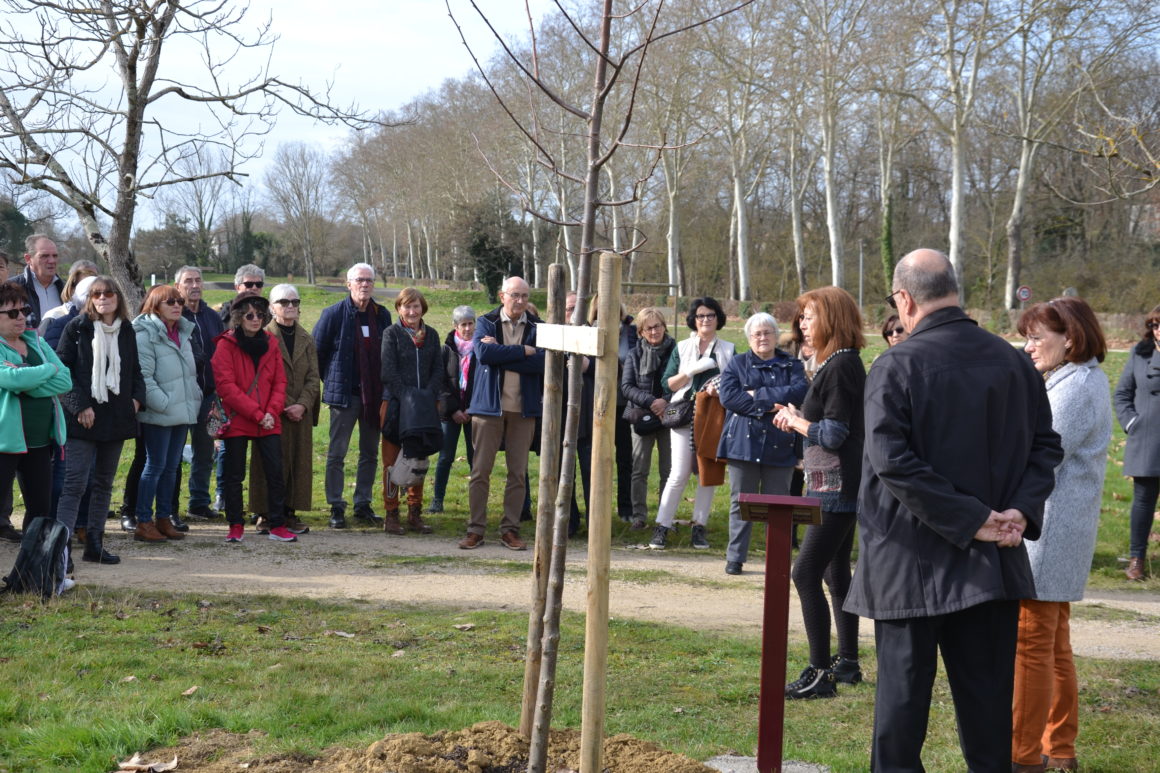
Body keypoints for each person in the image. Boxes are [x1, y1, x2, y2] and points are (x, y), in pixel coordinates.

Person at [845, 249, 1062, 772]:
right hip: (990, 563)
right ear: (953, 290)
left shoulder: (895, 364)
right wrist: (1014, 514)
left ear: (904, 299)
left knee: (899, 722)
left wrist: (989, 519)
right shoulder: (1014, 360)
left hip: (910, 563)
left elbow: (890, 462)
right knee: (988, 720)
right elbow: (1046, 448)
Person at [1012, 298, 1112, 773]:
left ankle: (1024, 755)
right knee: (1052, 647)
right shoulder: (1077, 379)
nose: (1028, 346)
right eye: (1027, 336)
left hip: (1051, 533)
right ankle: (1060, 747)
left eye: (1036, 337)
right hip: (1060, 530)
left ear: (1069, 338)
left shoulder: (1076, 387)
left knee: (1032, 645)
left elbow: (1040, 454)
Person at [774, 287, 867, 697]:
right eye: (802, 317)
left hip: (836, 489)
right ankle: (846, 662)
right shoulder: (834, 364)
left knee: (804, 572)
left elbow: (834, 433)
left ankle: (818, 674)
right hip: (832, 485)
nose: (802, 324)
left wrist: (796, 424)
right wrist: (799, 416)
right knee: (834, 572)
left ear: (831, 319)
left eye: (809, 316)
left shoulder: (842, 366)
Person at [54, 276, 144, 565]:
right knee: (75, 484)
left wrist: (136, 400)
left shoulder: (126, 330)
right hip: (83, 420)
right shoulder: (76, 328)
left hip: (115, 418)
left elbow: (136, 371)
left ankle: (95, 543)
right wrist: (80, 406)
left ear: (117, 297)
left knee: (104, 483)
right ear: (90, 299)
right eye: (96, 294)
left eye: (108, 293)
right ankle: (62, 549)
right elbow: (61, 371)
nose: (102, 298)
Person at [719, 313, 807, 576]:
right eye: (757, 334)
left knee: (779, 504)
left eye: (767, 332)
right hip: (742, 445)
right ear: (749, 338)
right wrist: (771, 406)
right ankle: (735, 558)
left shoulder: (792, 365)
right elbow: (729, 398)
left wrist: (756, 394)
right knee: (740, 502)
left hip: (781, 442)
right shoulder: (736, 364)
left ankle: (777, 559)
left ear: (775, 335)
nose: (762, 338)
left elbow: (799, 392)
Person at [462, 276, 544, 550]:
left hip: (523, 410)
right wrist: (523, 351)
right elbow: (484, 354)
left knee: (518, 474)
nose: (520, 301)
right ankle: (475, 530)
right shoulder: (486, 322)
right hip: (487, 409)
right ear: (502, 296)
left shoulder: (537, 326)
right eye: (514, 295)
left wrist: (504, 355)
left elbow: (542, 362)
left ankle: (510, 529)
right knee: (480, 471)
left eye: (524, 295)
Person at [649, 296, 735, 550]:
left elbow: (734, 384)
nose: (705, 320)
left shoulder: (728, 349)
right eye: (700, 316)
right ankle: (662, 526)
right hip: (684, 415)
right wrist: (692, 371)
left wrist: (717, 387)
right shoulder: (683, 347)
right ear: (693, 320)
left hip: (713, 417)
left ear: (717, 319)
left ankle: (699, 526)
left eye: (710, 315)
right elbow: (668, 384)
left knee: (706, 474)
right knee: (678, 473)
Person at [212, 294, 297, 543]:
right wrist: (259, 414)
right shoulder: (225, 345)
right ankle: (235, 524)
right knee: (234, 474)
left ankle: (277, 524)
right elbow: (226, 387)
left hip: (268, 418)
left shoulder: (271, 342)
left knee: (275, 471)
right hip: (240, 417)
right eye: (249, 315)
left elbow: (280, 381)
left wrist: (271, 412)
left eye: (260, 314)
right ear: (238, 317)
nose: (255, 319)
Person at [314, 263, 392, 529]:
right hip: (344, 396)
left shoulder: (382, 315)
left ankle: (363, 503)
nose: (365, 285)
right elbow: (317, 353)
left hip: (373, 396)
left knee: (370, 452)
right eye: (359, 280)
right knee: (337, 453)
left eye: (369, 280)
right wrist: (334, 382)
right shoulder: (333, 314)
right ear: (348, 284)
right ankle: (336, 505)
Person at [0, 282, 72, 537]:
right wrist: (47, 371)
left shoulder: (37, 342)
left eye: (24, 310)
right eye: (11, 313)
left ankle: (30, 571)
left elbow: (65, 380)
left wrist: (29, 377)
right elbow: (11, 380)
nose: (21, 317)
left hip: (40, 443)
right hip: (4, 444)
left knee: (40, 510)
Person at [132, 284, 202, 543]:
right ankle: (143, 520)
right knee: (155, 466)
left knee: (171, 468)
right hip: (160, 412)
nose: (176, 305)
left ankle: (164, 518)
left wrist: (189, 400)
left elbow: (188, 374)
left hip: (182, 411)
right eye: (169, 301)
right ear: (155, 305)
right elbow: (144, 378)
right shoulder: (144, 334)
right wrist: (164, 403)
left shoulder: (183, 332)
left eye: (179, 301)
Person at [248, 284, 317, 536]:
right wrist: (287, 404)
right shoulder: (263, 336)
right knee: (269, 463)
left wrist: (303, 404)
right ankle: (265, 514)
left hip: (301, 413)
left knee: (298, 462)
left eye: (295, 302)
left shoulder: (307, 338)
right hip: (271, 411)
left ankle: (290, 512)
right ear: (272, 307)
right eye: (284, 302)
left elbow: (313, 376)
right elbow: (261, 377)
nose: (290, 306)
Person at [379, 287, 443, 535]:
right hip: (396, 404)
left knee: (418, 458)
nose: (412, 311)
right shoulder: (391, 334)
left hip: (425, 406)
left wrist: (427, 395)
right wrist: (407, 396)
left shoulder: (432, 335)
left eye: (416, 306)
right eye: (407, 306)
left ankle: (415, 512)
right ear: (399, 309)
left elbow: (438, 368)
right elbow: (388, 371)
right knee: (391, 462)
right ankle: (391, 513)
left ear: (422, 308)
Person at [1113, 303, 1160, 582]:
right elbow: (1121, 395)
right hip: (1148, 440)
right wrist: (1133, 423)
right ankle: (1136, 560)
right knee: (1143, 503)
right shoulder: (1140, 354)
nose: (1158, 329)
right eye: (1154, 325)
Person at [176, 265, 225, 521]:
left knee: (206, 450)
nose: (194, 285)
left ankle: (199, 502)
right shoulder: (175, 315)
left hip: (209, 396)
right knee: (173, 453)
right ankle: (168, 507)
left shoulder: (211, 316)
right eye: (188, 281)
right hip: (181, 396)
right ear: (178, 286)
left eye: (198, 280)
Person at [621, 307, 676, 531]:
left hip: (670, 415)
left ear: (664, 326)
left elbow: (683, 382)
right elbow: (626, 387)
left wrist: (665, 401)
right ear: (641, 332)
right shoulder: (635, 354)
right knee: (639, 469)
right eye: (648, 328)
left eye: (657, 326)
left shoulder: (676, 351)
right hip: (642, 416)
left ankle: (665, 517)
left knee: (669, 471)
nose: (654, 332)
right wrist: (651, 402)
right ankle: (639, 516)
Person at [429, 305, 477, 514]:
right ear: (455, 326)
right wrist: (454, 410)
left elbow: (482, 382)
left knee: (475, 458)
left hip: (475, 412)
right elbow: (440, 384)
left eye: (470, 324)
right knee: (445, 457)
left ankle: (477, 501)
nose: (467, 329)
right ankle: (437, 499)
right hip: (450, 414)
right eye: (463, 324)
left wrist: (472, 409)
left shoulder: (481, 348)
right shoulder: (445, 350)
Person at [12, 234, 64, 331]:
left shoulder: (67, 289)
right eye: (44, 256)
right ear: (28, 259)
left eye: (55, 255)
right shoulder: (12, 289)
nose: (52, 260)